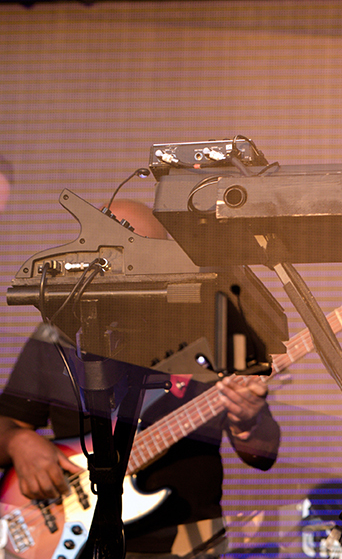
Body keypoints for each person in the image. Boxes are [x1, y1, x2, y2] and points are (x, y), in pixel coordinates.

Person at [0, 200, 280, 559]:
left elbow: (263, 454)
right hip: (83, 543)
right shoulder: (58, 337)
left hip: (189, 543)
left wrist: (248, 421)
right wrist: (18, 442)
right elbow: (5, 423)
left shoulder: (206, 331)